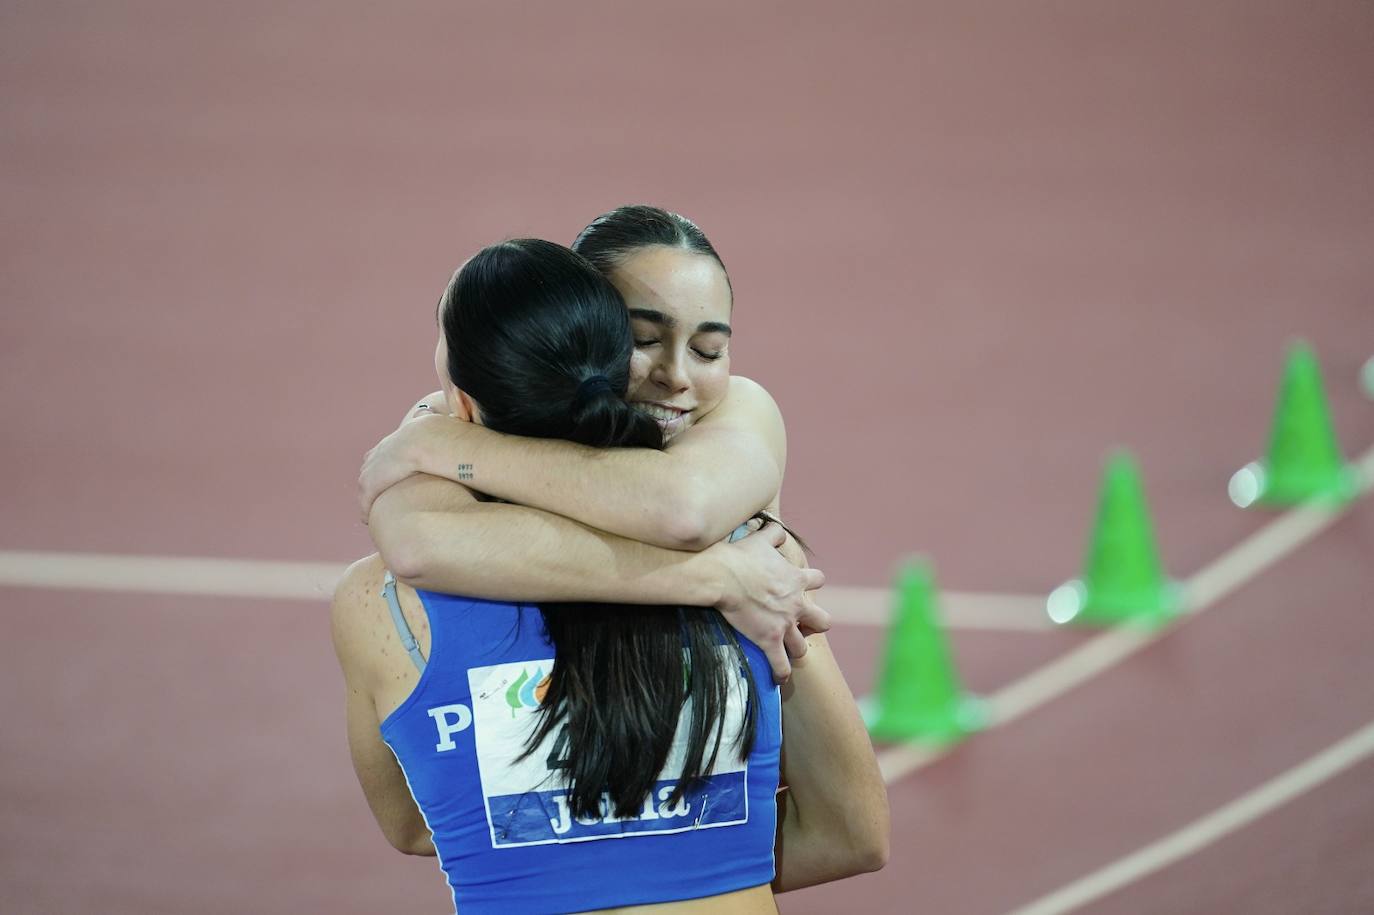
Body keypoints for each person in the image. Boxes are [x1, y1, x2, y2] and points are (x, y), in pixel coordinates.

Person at [334, 236, 886, 913]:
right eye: (647, 339)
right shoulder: (759, 569)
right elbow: (850, 832)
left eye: (708, 348)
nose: (679, 376)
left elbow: (421, 826)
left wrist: (437, 441)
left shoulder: (380, 605)